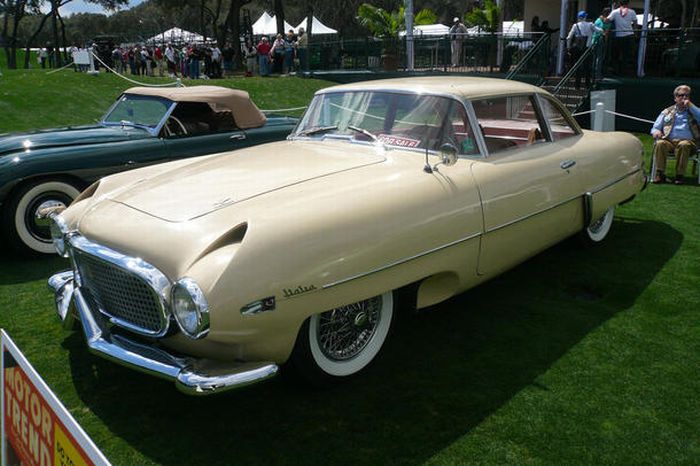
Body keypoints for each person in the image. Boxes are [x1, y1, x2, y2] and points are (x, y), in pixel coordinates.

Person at [650, 85, 700, 184]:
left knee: (684, 144)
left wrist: (690, 105)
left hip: (690, 143)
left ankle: (679, 176)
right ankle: (660, 174)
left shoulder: (694, 111)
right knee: (660, 143)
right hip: (670, 142)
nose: (684, 98)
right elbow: (655, 127)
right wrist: (656, 131)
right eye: (681, 95)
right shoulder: (667, 111)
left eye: (687, 95)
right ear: (675, 98)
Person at [566, 11, 602, 88]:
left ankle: (577, 85)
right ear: (585, 17)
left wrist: (568, 47)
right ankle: (587, 84)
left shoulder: (575, 25)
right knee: (587, 66)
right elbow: (599, 30)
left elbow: (569, 37)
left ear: (579, 18)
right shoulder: (590, 25)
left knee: (578, 66)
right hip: (587, 48)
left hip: (577, 48)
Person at [607, 0, 637, 74]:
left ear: (619, 3)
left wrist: (602, 17)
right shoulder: (632, 11)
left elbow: (607, 20)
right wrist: (635, 32)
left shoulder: (615, 12)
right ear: (628, 3)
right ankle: (624, 71)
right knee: (626, 54)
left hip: (618, 35)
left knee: (616, 54)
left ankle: (616, 70)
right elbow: (635, 23)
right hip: (629, 35)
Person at [592, 7, 612, 78]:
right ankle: (597, 75)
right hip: (601, 39)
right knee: (600, 58)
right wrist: (606, 43)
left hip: (594, 39)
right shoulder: (608, 22)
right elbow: (606, 34)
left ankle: (593, 74)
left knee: (594, 57)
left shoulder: (597, 20)